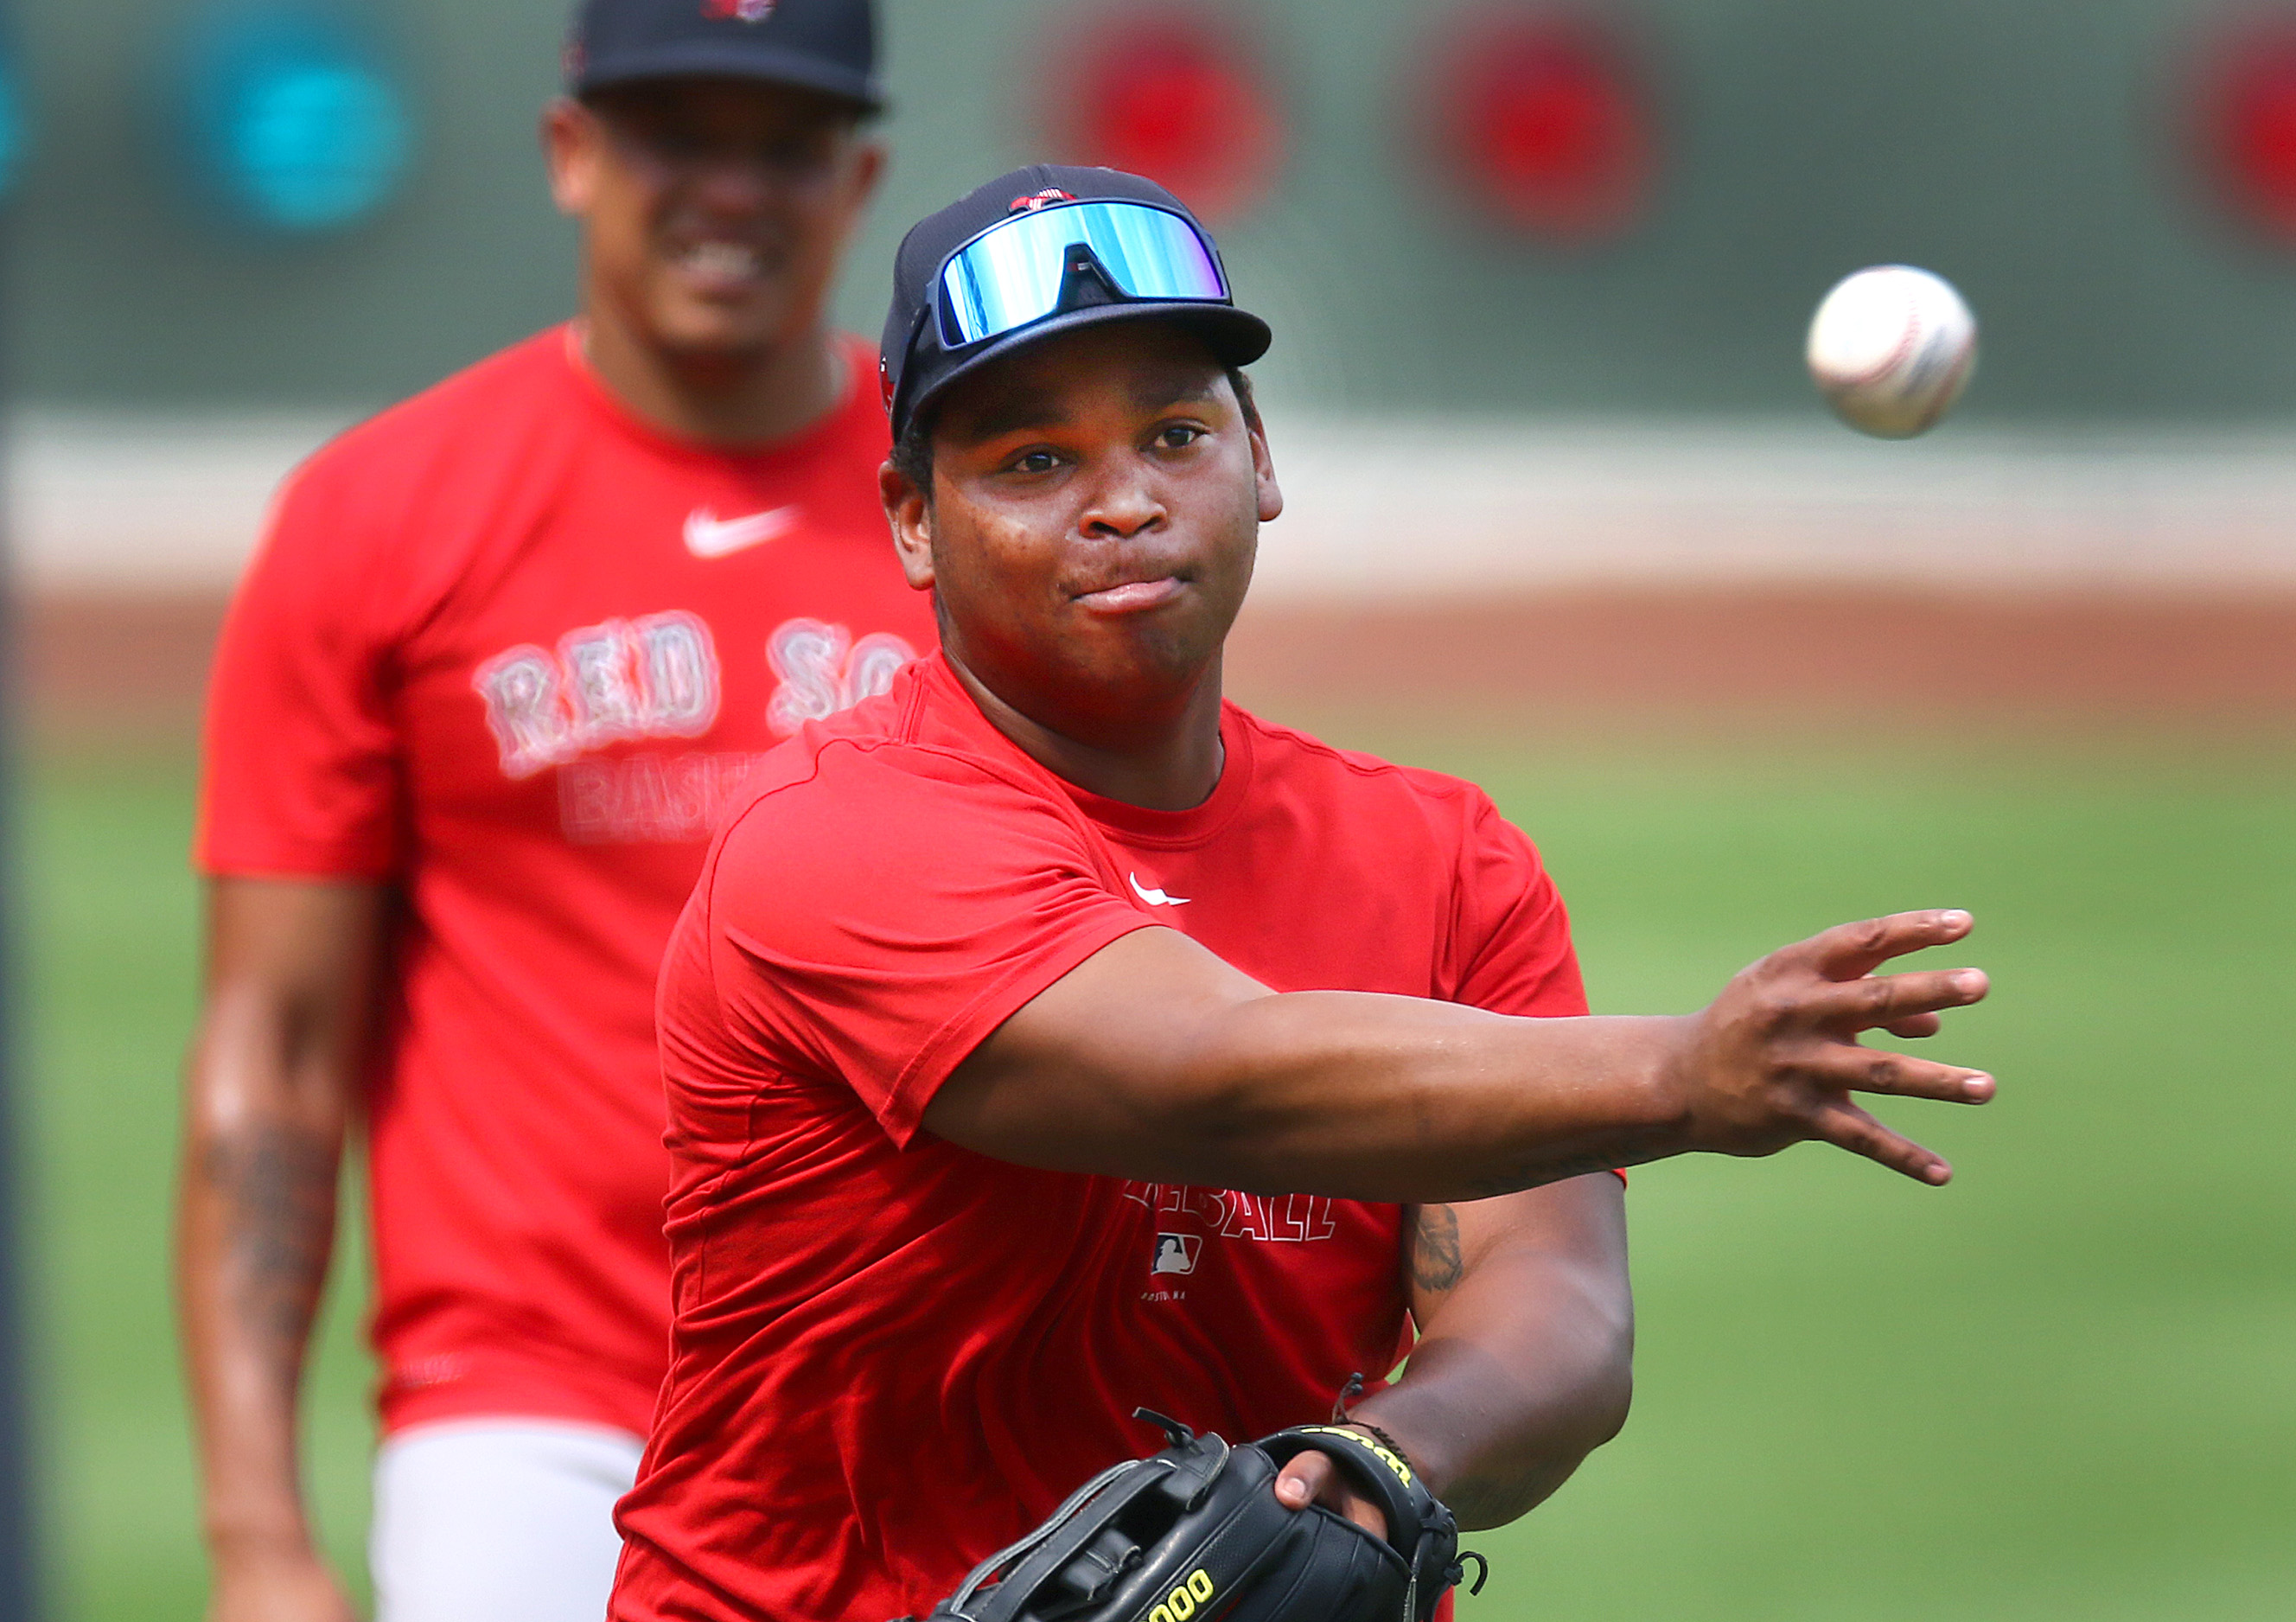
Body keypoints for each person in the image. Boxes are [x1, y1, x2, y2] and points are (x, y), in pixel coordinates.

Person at [606, 167, 1996, 1622]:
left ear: (1258, 458)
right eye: (1033, 461)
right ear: (908, 521)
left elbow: (1556, 1308)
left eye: (1174, 432)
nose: (1125, 501)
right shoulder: (835, 837)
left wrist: (1376, 1460)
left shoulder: (1443, 861)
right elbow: (1209, 1079)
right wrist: (1680, 1071)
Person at [175, 3, 931, 1618]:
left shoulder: (974, 508)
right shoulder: (380, 516)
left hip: (928, 1393)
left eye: (782, 144)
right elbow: (275, 1048)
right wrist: (256, 1539)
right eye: (678, 134)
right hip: (532, 1410)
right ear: (571, 154)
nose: (730, 188)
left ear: (858, 176)